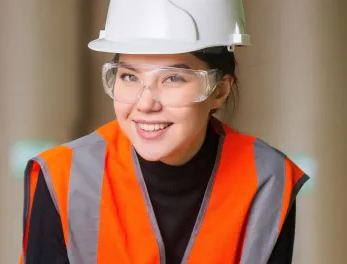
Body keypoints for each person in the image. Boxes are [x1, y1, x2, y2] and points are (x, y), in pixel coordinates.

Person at [20, 0, 309, 263]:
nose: (145, 103)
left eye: (173, 78)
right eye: (129, 76)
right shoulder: (64, 176)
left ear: (219, 90)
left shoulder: (267, 179)